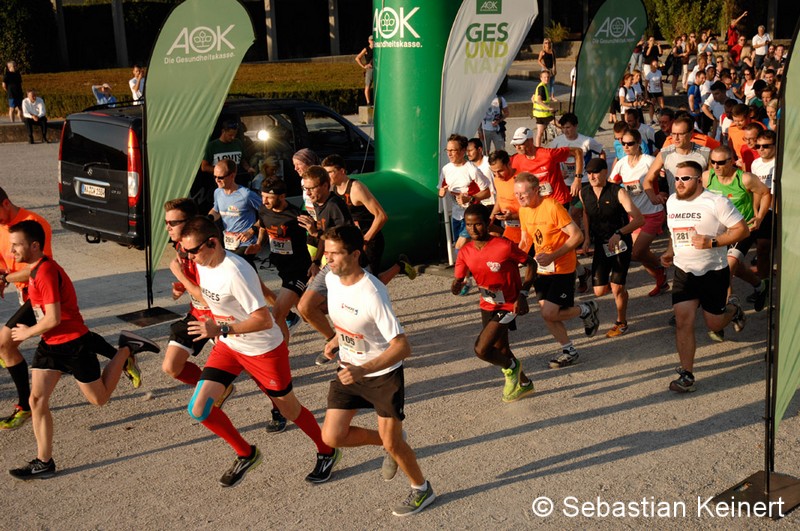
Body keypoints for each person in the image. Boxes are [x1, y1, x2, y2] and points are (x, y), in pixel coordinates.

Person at [175, 215, 339, 487]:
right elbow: (210, 298)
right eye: (185, 251)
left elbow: (264, 320)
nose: (189, 257)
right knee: (199, 408)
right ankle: (246, 454)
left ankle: (327, 450)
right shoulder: (204, 264)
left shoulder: (235, 272)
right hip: (230, 347)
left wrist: (221, 329)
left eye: (192, 251)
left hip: (263, 350)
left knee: (289, 410)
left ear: (212, 243)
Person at [7, 219, 160, 479]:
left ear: (34, 246)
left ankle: (126, 349)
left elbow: (53, 318)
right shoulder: (35, 269)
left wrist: (26, 333)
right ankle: (44, 462)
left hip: (73, 345)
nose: (12, 251)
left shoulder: (45, 272)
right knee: (36, 400)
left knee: (99, 399)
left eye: (16, 245)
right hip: (50, 345)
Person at [318, 225, 435, 517]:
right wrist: (336, 339)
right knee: (332, 437)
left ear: (355, 254)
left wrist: (363, 369)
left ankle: (422, 489)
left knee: (393, 444)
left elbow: (402, 347)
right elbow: (348, 321)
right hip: (349, 368)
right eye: (326, 252)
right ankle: (390, 441)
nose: (327, 259)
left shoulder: (372, 293)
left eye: (334, 254)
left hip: (382, 375)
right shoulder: (332, 279)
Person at [660, 161, 749, 393]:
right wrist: (670, 251)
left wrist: (713, 242)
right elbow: (673, 232)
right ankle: (686, 374)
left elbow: (742, 230)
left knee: (714, 323)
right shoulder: (672, 201)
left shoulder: (717, 202)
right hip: (684, 271)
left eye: (685, 178)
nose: (679, 183)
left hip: (713, 271)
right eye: (677, 178)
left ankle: (733, 310)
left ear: (699, 180)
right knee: (683, 321)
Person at [515, 172, 600, 369]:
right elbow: (526, 239)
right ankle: (569, 350)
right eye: (516, 194)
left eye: (523, 194)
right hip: (542, 269)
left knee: (549, 312)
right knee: (548, 314)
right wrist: (515, 259)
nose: (519, 198)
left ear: (535, 190)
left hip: (562, 268)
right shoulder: (523, 210)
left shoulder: (552, 207)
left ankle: (586, 310)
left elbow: (577, 236)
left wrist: (553, 255)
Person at [452, 203, 536, 401]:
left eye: (478, 224)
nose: (473, 229)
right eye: (469, 225)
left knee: (481, 349)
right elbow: (459, 279)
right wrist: (456, 285)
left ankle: (511, 368)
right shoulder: (465, 251)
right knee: (501, 349)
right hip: (487, 303)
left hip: (509, 304)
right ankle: (525, 384)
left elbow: (531, 263)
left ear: (487, 223)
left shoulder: (503, 246)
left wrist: (523, 294)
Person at [322, 153, 416, 282]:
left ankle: (400, 266)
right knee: (356, 279)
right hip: (352, 241)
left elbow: (381, 216)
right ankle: (400, 266)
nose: (327, 176)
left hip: (370, 239)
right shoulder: (333, 190)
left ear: (342, 171)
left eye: (330, 172)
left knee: (370, 280)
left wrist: (365, 240)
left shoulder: (356, 188)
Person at [297, 165, 355, 365]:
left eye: (311, 188)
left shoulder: (334, 205)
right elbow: (325, 238)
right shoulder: (318, 204)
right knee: (306, 308)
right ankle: (335, 340)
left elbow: (344, 239)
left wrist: (316, 232)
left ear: (325, 185)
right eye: (305, 188)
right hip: (330, 263)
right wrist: (315, 261)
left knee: (350, 307)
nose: (308, 193)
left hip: (346, 264)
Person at [703, 146, 771, 315]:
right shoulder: (707, 177)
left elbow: (765, 193)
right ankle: (760, 285)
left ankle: (729, 311)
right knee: (734, 267)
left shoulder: (745, 178)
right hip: (720, 230)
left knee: (727, 270)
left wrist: (760, 216)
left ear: (731, 161)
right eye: (713, 162)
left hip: (743, 229)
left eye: (720, 162)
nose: (716, 166)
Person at [580, 159, 644, 337]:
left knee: (616, 287)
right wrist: (587, 238)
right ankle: (619, 289)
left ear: (605, 172)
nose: (591, 176)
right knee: (599, 291)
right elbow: (586, 213)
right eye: (588, 173)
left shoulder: (618, 191)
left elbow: (640, 219)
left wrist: (619, 233)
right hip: (601, 245)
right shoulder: (583, 192)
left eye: (595, 172)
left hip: (620, 244)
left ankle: (621, 322)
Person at [609, 128, 668, 297]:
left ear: (639, 142)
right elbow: (612, 185)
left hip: (653, 213)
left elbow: (665, 177)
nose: (626, 147)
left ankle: (660, 267)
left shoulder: (649, 161)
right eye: (623, 143)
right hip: (635, 217)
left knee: (637, 252)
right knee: (638, 254)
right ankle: (661, 278)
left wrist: (662, 193)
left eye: (630, 143)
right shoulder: (621, 164)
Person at [438, 134, 491, 254]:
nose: (449, 154)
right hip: (456, 215)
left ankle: (461, 267)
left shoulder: (472, 170)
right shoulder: (446, 169)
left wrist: (470, 198)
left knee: (460, 246)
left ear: (463, 151)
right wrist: (441, 193)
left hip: (472, 215)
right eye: (447, 150)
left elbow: (487, 192)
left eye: (453, 150)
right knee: (467, 248)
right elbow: (440, 190)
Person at [208, 159, 262, 270]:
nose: (217, 180)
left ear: (232, 176)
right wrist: (207, 219)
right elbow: (216, 211)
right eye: (215, 177)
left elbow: (267, 213)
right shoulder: (217, 192)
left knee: (236, 266)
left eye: (220, 177)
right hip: (229, 242)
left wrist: (252, 230)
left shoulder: (246, 195)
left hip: (246, 243)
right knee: (244, 271)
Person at [644, 115, 711, 203]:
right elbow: (647, 181)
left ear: (691, 133)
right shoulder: (664, 154)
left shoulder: (706, 153)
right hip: (676, 205)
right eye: (673, 134)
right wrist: (654, 198)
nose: (676, 138)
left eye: (681, 134)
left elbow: (716, 181)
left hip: (701, 204)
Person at [532, 70, 556, 146]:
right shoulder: (541, 87)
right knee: (560, 126)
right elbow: (539, 100)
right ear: (541, 78)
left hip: (538, 114)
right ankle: (562, 143)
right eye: (545, 77)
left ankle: (537, 149)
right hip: (544, 114)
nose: (547, 79)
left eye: (548, 77)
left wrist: (535, 104)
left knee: (539, 133)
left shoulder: (541, 86)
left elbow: (533, 98)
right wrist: (548, 108)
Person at [354, 35, 375, 106]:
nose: (373, 41)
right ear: (369, 41)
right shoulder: (366, 49)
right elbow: (357, 58)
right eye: (371, 40)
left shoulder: (377, 49)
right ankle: (368, 102)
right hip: (370, 69)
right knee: (367, 86)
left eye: (374, 40)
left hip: (377, 69)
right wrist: (364, 66)